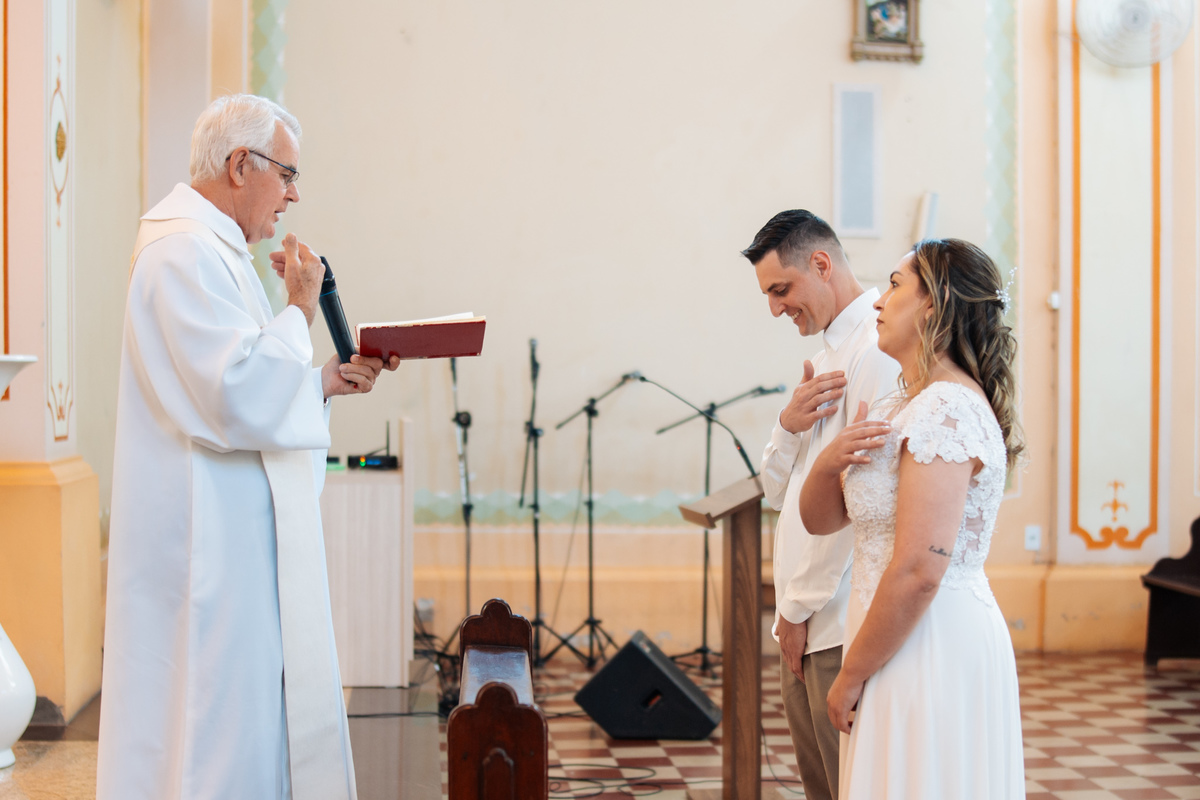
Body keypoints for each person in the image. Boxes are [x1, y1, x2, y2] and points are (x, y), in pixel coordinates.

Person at [97, 94, 398, 800]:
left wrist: (320, 381)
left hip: (230, 541)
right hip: (204, 552)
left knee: (240, 722)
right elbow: (233, 394)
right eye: (287, 175)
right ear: (240, 164)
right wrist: (298, 306)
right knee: (211, 728)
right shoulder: (180, 252)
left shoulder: (214, 249)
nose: (293, 195)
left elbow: (246, 383)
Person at [800, 239, 1025, 799]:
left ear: (934, 305)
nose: (879, 301)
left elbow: (923, 566)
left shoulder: (946, 408)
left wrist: (850, 675)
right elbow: (821, 520)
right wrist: (829, 460)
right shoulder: (900, 404)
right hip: (891, 630)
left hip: (929, 639)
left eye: (896, 285)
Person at [742, 210, 900, 800]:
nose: (776, 308)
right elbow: (779, 491)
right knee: (821, 788)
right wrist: (787, 425)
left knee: (845, 786)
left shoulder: (876, 350)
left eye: (781, 290)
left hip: (834, 618)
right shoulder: (830, 353)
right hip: (805, 614)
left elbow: (860, 502)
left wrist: (800, 610)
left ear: (822, 264)